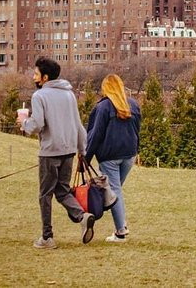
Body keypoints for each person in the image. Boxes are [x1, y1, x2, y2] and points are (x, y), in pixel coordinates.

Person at [18, 57, 95, 249]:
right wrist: (81, 149)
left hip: (50, 152)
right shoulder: (69, 95)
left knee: (45, 194)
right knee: (62, 190)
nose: (33, 78)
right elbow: (78, 125)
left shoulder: (39, 96)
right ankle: (82, 216)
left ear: (44, 77)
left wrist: (24, 124)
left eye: (36, 74)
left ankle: (47, 236)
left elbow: (38, 124)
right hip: (68, 150)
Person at [85, 74, 141, 243]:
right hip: (129, 155)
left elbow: (95, 135)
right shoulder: (133, 105)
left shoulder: (103, 107)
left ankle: (121, 231)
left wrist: (86, 158)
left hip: (109, 156)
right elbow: (137, 130)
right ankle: (119, 223)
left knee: (114, 191)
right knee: (115, 190)